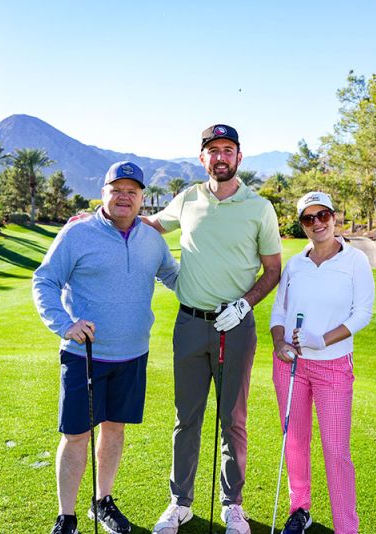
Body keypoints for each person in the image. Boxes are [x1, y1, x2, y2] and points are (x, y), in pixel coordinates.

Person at [143, 124, 282, 534]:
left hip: (235, 327)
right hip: (189, 324)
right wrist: (102, 215)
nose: (220, 157)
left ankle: (232, 504)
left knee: (232, 418)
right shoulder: (187, 198)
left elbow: (273, 270)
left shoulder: (259, 207)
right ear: (202, 157)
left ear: (239, 156)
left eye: (228, 149)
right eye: (213, 150)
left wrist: (244, 305)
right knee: (186, 418)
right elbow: (151, 224)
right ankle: (179, 503)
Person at [33, 161, 179, 534]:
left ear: (142, 198)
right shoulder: (78, 234)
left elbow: (174, 276)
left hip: (133, 355)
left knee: (114, 430)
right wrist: (65, 325)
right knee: (76, 435)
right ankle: (67, 517)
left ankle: (103, 501)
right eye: (117, 190)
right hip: (85, 356)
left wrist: (216, 291)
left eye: (132, 191)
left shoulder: (151, 239)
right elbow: (45, 280)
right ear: (104, 194)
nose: (124, 197)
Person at [270, 191, 374, 534]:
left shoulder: (355, 261)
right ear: (302, 225)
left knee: (336, 451)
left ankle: (347, 526)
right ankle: (300, 509)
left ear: (334, 217)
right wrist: (280, 341)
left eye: (323, 215)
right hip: (291, 366)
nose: (317, 224)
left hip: (333, 366)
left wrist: (322, 339)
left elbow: (363, 314)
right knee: (295, 442)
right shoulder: (295, 264)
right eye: (308, 219)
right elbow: (279, 310)